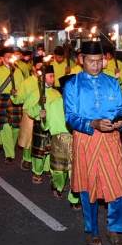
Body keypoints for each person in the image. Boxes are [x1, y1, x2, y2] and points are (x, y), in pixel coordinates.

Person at [63, 40, 122, 245]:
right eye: (91, 61)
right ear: (82, 60)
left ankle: (115, 230)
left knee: (118, 185)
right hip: (86, 139)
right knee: (88, 187)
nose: (96, 65)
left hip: (111, 140)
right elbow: (71, 117)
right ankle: (92, 231)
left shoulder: (112, 82)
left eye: (99, 61)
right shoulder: (72, 85)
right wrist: (92, 123)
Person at [46, 73, 81, 207]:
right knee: (59, 171)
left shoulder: (79, 104)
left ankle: (74, 198)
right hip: (59, 140)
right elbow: (46, 126)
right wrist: (43, 118)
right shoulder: (53, 104)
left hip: (76, 139)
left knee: (75, 170)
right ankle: (57, 186)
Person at [25, 65, 60, 184]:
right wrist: (39, 104)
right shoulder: (35, 93)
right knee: (39, 152)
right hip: (40, 125)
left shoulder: (57, 93)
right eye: (50, 76)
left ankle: (47, 169)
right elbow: (29, 112)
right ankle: (37, 171)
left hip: (53, 126)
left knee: (51, 151)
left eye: (53, 76)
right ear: (44, 78)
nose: (53, 79)